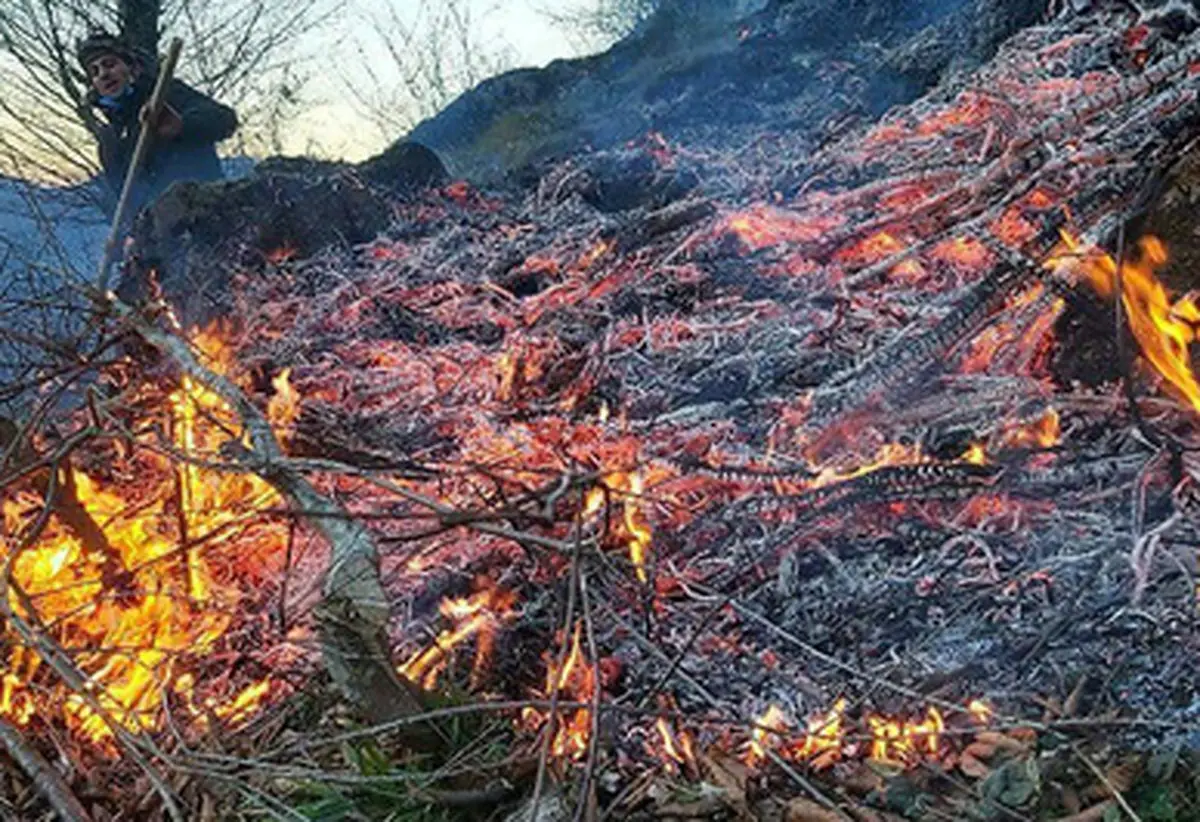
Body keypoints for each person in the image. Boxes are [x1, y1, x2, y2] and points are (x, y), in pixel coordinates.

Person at [76, 30, 238, 219]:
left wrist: (181, 127)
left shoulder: (165, 94)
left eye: (110, 64)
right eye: (95, 71)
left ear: (132, 68)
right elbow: (124, 200)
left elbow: (225, 119)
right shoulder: (110, 139)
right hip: (162, 236)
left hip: (208, 211)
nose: (104, 74)